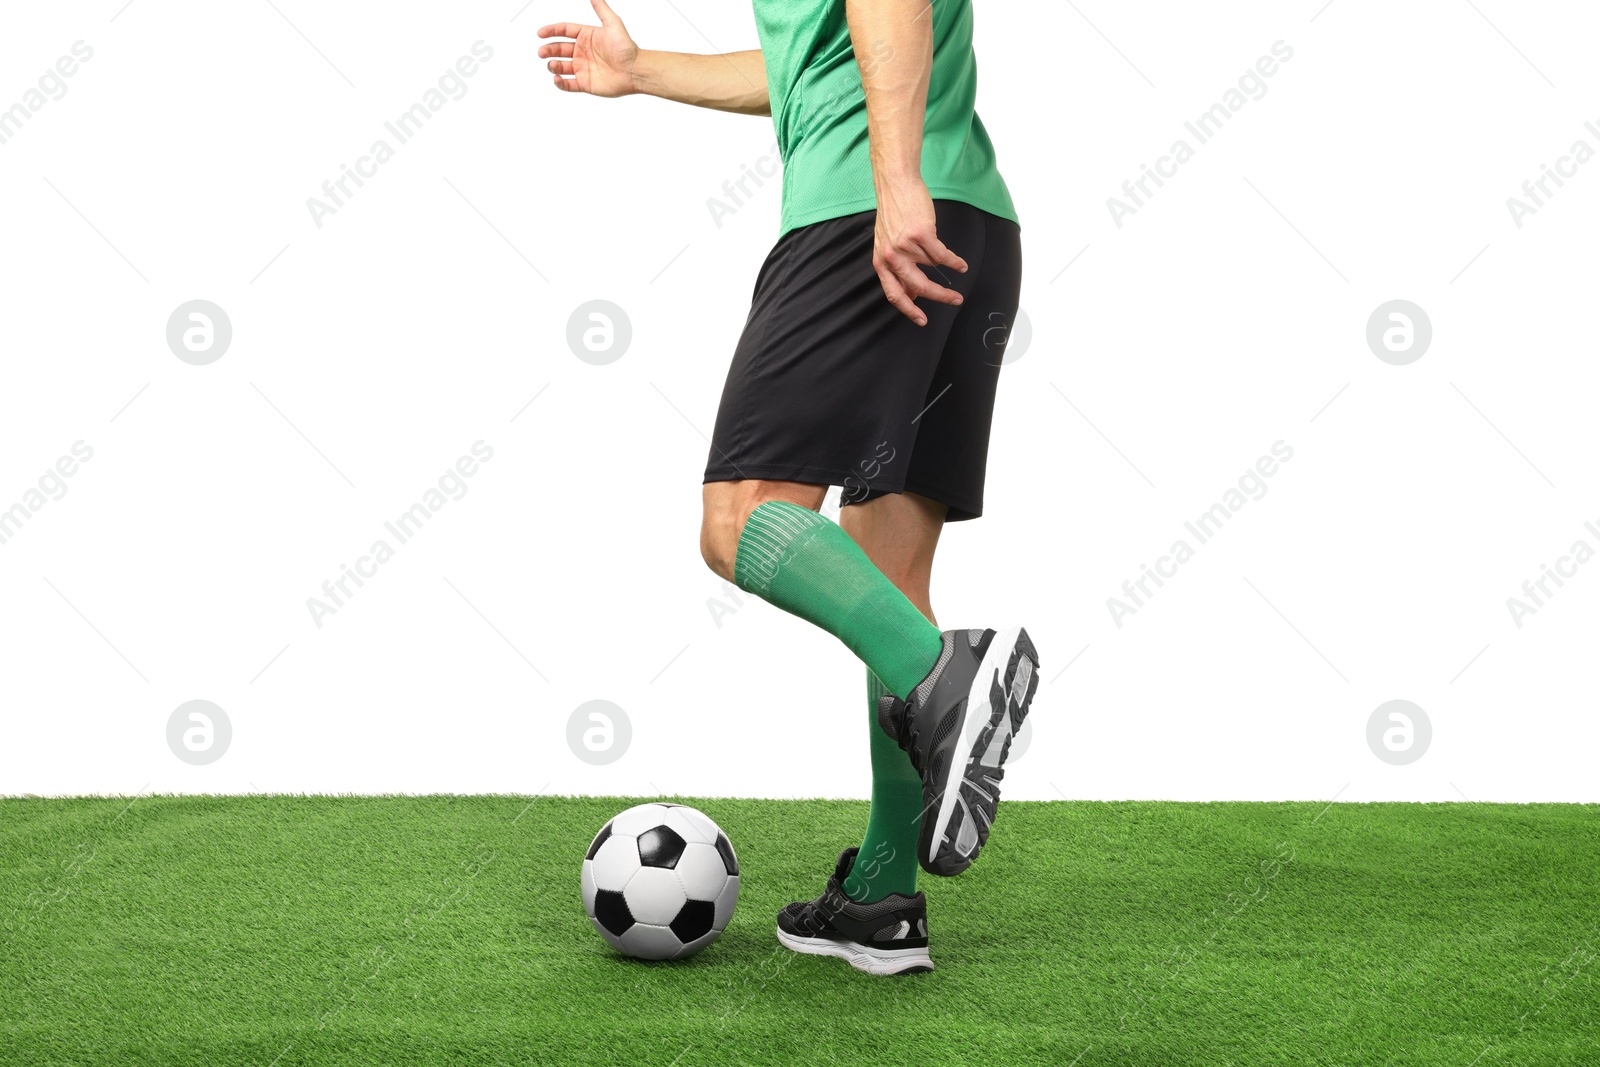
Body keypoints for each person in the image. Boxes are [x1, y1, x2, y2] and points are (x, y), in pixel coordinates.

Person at [540, 0, 1036, 976]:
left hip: (870, 218)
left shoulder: (881, 191)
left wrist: (894, 183)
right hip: (974, 224)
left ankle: (945, 677)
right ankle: (883, 897)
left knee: (740, 522)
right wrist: (643, 72)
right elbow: (815, 61)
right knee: (883, 580)